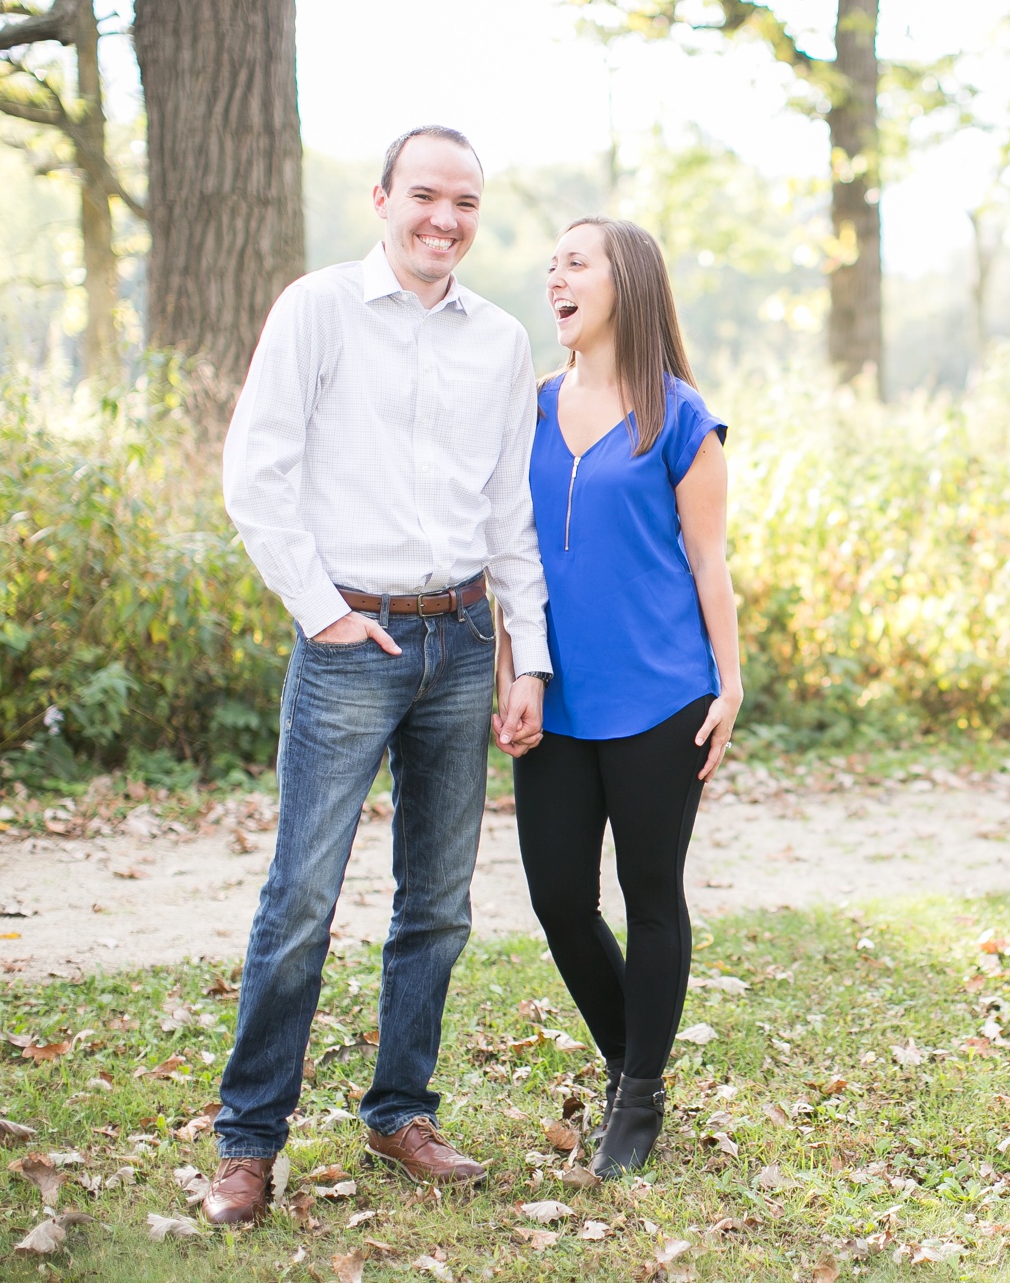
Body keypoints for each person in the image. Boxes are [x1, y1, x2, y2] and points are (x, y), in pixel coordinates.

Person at [208, 125, 552, 1224]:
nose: (443, 219)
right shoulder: (315, 308)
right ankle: (250, 1142)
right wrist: (325, 614)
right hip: (349, 639)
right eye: (424, 196)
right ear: (381, 198)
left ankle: (400, 1109)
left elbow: (510, 512)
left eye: (464, 202)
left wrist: (522, 657)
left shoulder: (500, 340)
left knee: (436, 906)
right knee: (301, 899)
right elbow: (255, 475)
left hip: (458, 642)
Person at [491, 216, 742, 1180]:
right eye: (548, 263)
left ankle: (635, 1096)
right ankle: (634, 1057)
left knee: (651, 897)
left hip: (663, 696)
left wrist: (730, 681)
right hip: (554, 697)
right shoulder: (531, 405)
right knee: (559, 896)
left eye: (575, 261)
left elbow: (710, 561)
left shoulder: (681, 415)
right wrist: (516, 664)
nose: (555, 276)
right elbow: (508, 557)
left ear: (624, 284)